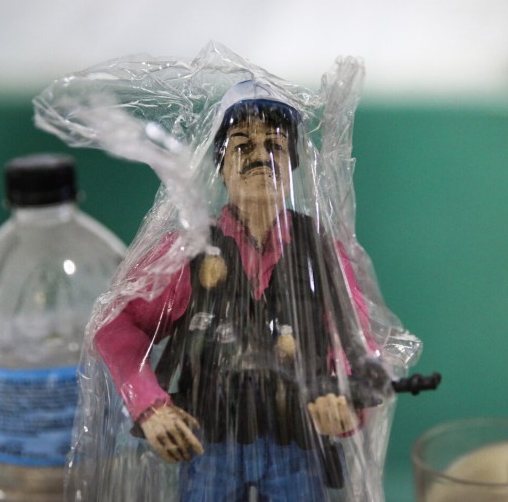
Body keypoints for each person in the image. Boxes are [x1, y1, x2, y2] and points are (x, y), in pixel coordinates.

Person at [94, 81, 388, 501]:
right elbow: (117, 326)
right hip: (210, 443)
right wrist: (150, 405)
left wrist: (344, 399)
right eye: (242, 145)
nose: (260, 157)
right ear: (220, 165)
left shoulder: (321, 252)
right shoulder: (187, 252)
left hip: (296, 442)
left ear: (292, 164)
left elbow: (355, 340)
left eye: (275, 145)